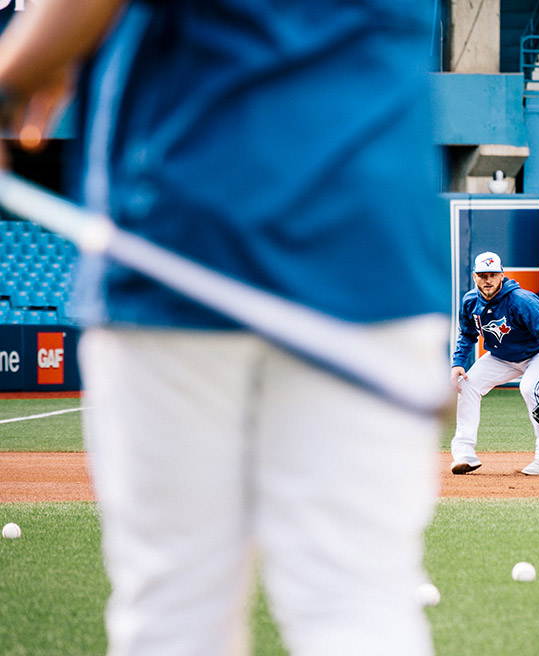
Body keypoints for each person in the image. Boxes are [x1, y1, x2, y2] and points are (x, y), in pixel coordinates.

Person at [0, 2, 449, 655]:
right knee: (357, 604)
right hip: (370, 245)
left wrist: (16, 73)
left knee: (176, 614)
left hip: (185, 231)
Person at [450, 251, 539, 476]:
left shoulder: (521, 300)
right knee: (467, 384)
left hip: (537, 354)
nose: (488, 280)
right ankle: (463, 452)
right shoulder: (469, 302)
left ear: (501, 275)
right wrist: (458, 363)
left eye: (493, 274)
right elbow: (467, 334)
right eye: (483, 275)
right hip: (501, 356)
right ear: (474, 276)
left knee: (529, 388)